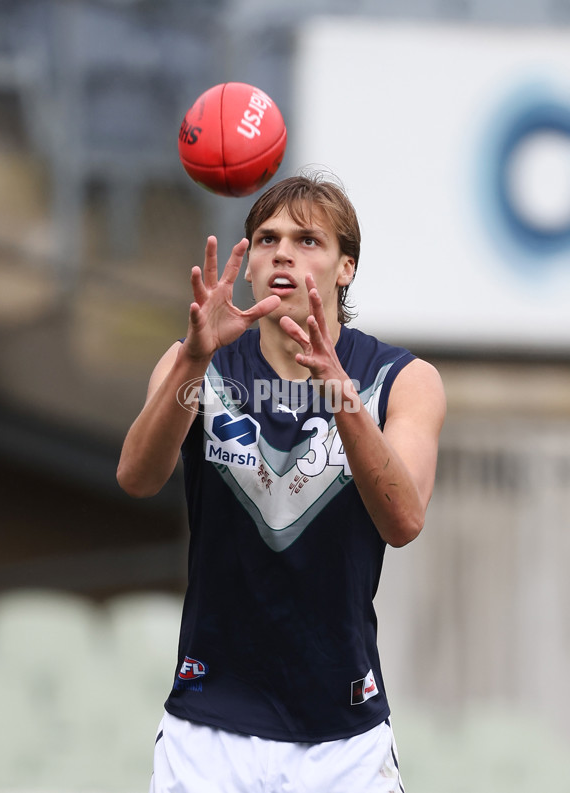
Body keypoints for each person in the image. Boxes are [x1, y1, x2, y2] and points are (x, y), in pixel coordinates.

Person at [117, 172, 446, 793]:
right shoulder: (195, 361)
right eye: (267, 238)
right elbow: (136, 476)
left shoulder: (401, 379)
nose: (283, 253)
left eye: (308, 240)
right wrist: (193, 359)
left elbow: (403, 521)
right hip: (208, 725)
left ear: (345, 268)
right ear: (247, 265)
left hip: (343, 734)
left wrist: (340, 394)